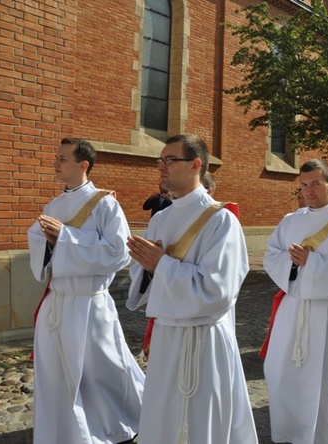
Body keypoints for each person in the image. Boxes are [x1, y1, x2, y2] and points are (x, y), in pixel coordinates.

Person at [126, 134, 257, 444]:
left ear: (196, 164)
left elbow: (219, 290)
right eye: (160, 160)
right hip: (167, 335)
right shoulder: (160, 219)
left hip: (203, 339)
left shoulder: (221, 221)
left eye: (170, 160)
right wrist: (146, 267)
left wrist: (162, 265)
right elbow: (142, 282)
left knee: (199, 424)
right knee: (163, 417)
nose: (161, 166)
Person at [27, 138, 144, 444]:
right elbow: (41, 247)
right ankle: (65, 430)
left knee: (103, 370)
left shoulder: (104, 203)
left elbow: (119, 252)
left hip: (90, 303)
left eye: (63, 159)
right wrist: (51, 241)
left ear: (83, 165)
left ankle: (120, 424)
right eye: (56, 157)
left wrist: (65, 237)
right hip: (58, 303)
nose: (56, 163)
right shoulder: (53, 205)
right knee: (56, 373)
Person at [263, 159, 328, 444]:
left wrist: (312, 262)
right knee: (283, 371)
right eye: (304, 184)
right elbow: (272, 257)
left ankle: (322, 437)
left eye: (316, 184)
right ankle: (289, 432)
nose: (308, 190)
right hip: (293, 308)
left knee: (325, 379)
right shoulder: (290, 221)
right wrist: (295, 269)